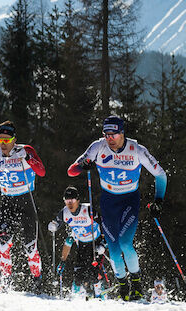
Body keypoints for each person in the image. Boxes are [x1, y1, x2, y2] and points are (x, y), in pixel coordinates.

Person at [68, 116, 167, 301]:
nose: (109, 138)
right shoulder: (98, 147)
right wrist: (83, 166)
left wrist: (158, 201)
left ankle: (136, 282)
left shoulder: (137, 150)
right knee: (113, 250)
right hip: (108, 203)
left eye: (113, 134)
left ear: (122, 133)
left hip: (129, 201)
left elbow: (160, 175)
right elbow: (71, 170)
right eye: (106, 134)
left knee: (125, 243)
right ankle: (123, 285)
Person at [0, 121, 45, 292]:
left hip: (26, 201)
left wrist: (27, 158)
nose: (3, 144)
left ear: (14, 139)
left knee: (30, 247)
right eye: (0, 139)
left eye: (7, 140)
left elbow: (42, 171)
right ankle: (5, 282)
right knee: (4, 244)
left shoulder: (26, 150)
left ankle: (37, 280)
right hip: (7, 203)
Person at [48, 186, 105, 298]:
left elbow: (104, 225)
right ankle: (76, 296)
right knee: (78, 276)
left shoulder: (88, 210)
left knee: (93, 274)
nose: (70, 204)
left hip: (95, 243)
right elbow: (57, 225)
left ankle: (100, 295)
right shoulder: (64, 213)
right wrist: (52, 226)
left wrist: (103, 243)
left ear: (78, 200)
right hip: (82, 245)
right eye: (67, 201)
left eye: (72, 200)